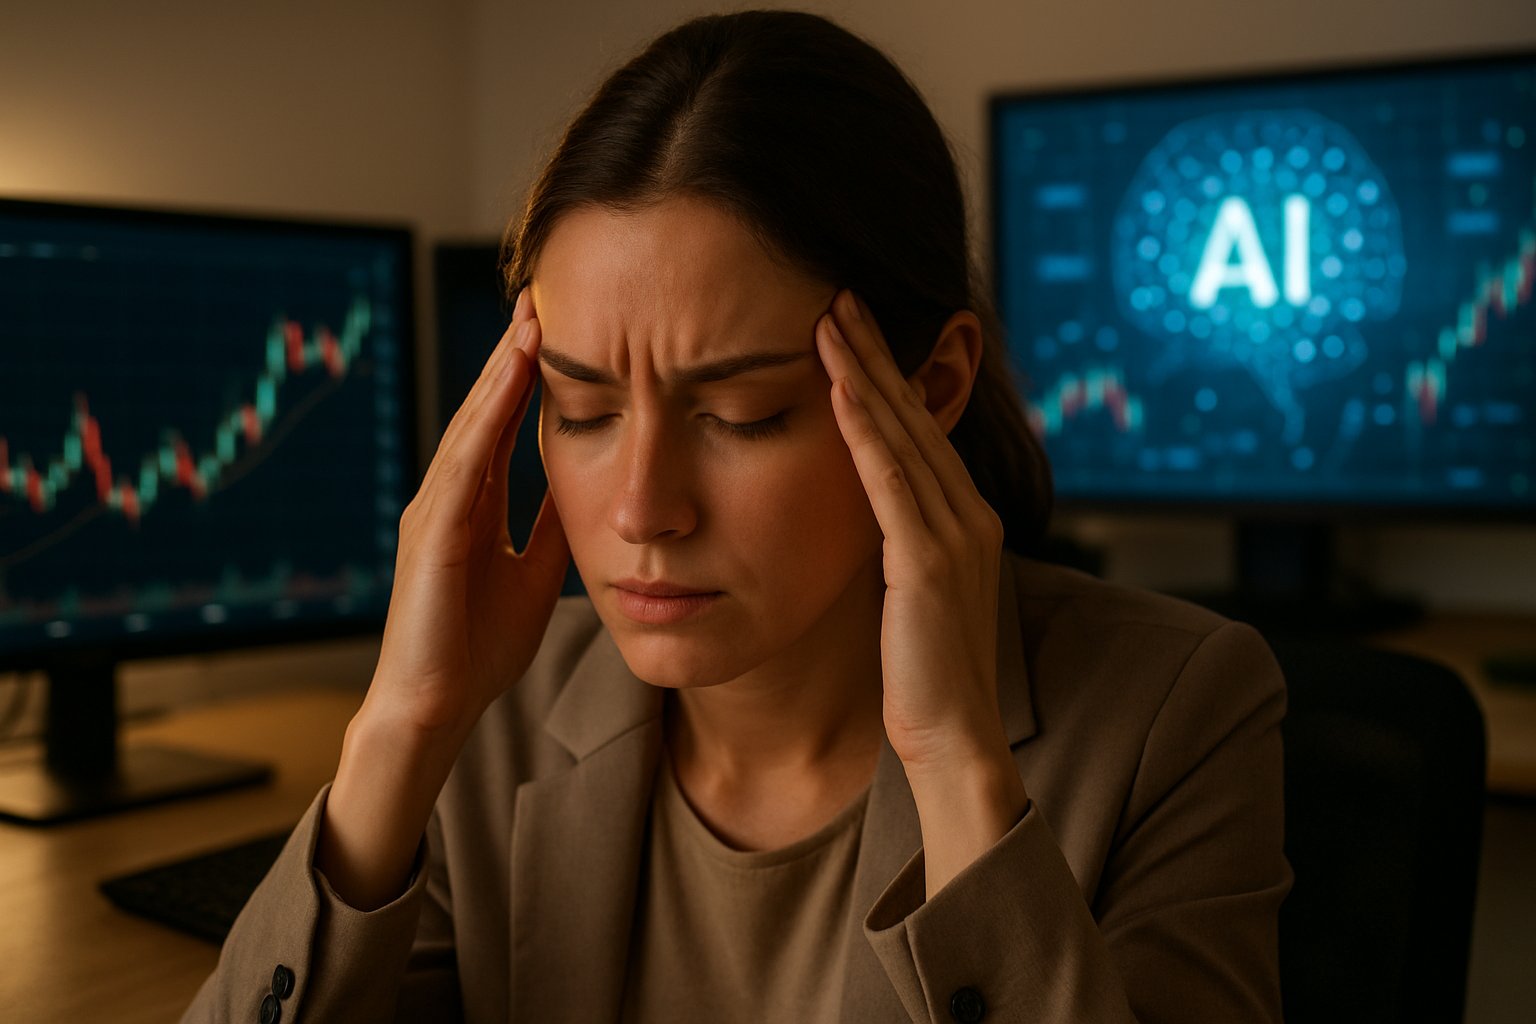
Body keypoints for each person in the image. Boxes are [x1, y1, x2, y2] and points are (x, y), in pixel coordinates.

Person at [182, 9, 1289, 1023]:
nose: (641, 507)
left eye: (744, 414)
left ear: (934, 385)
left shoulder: (1177, 716)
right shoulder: (491, 717)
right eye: (582, 407)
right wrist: (397, 733)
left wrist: (958, 766)